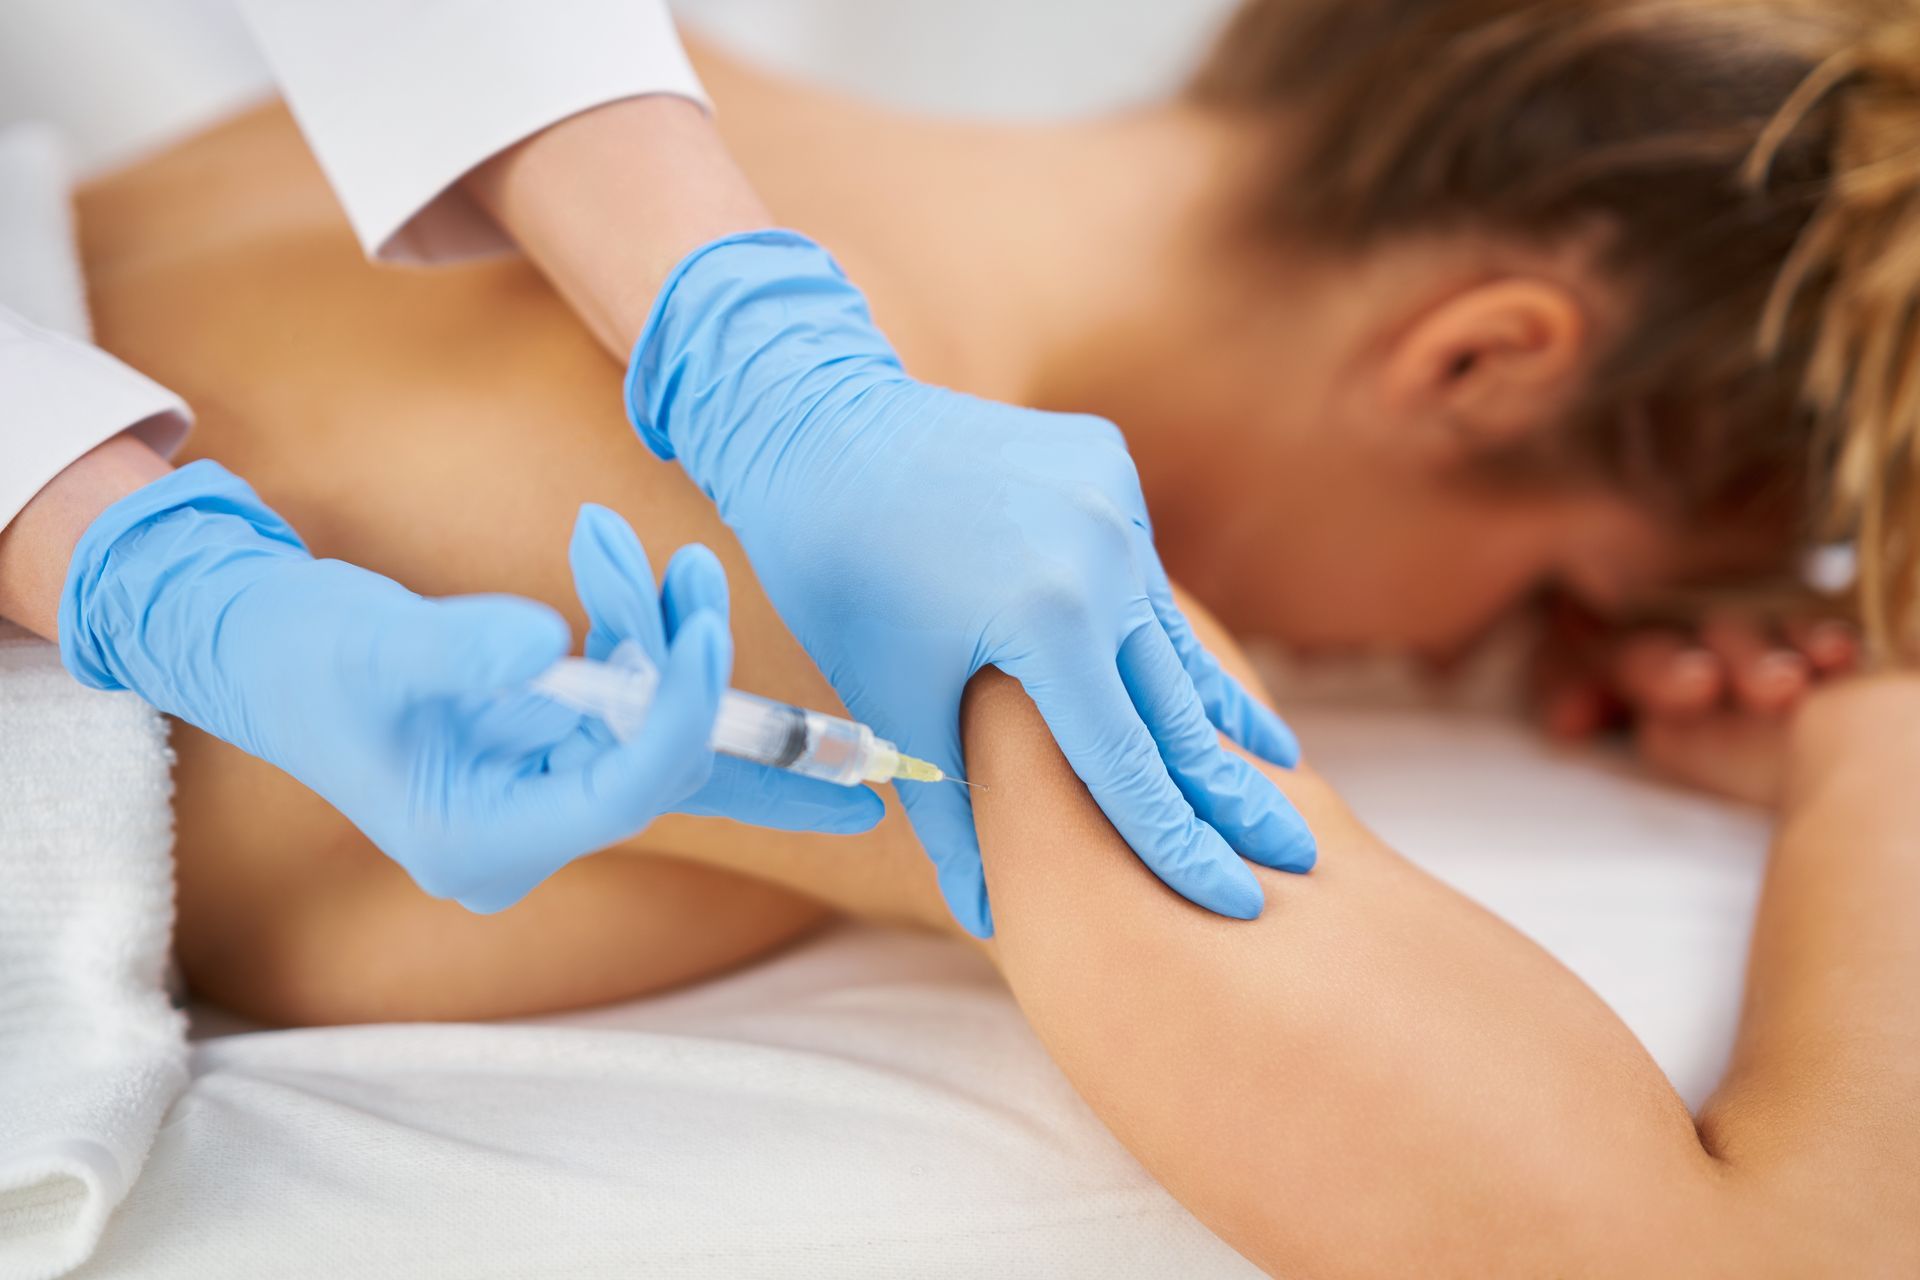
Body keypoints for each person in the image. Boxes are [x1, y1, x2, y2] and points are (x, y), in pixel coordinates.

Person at [71, 0, 1920, 1269]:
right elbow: (1747, 1265)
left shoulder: (642, 107)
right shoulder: (989, 621)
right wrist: (1878, 743)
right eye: (1548, 597)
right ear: (1483, 359)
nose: (1482, 666)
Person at [0, 0, 1312, 932]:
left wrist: (762, 354)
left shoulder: (715, 95)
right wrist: (143, 581)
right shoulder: (959, 606)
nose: (1526, 708)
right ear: (1485, 356)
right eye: (1528, 598)